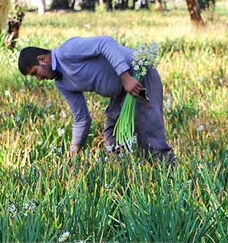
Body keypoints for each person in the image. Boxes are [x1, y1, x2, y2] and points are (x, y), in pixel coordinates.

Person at [18, 36, 176, 164]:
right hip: (120, 91)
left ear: (42, 59)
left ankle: (171, 175)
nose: (38, 79)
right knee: (112, 135)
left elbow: (105, 42)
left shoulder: (67, 51)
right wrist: (73, 153)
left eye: (35, 73)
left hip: (138, 76)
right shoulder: (62, 83)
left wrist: (126, 77)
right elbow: (81, 119)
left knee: (149, 132)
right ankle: (126, 175)